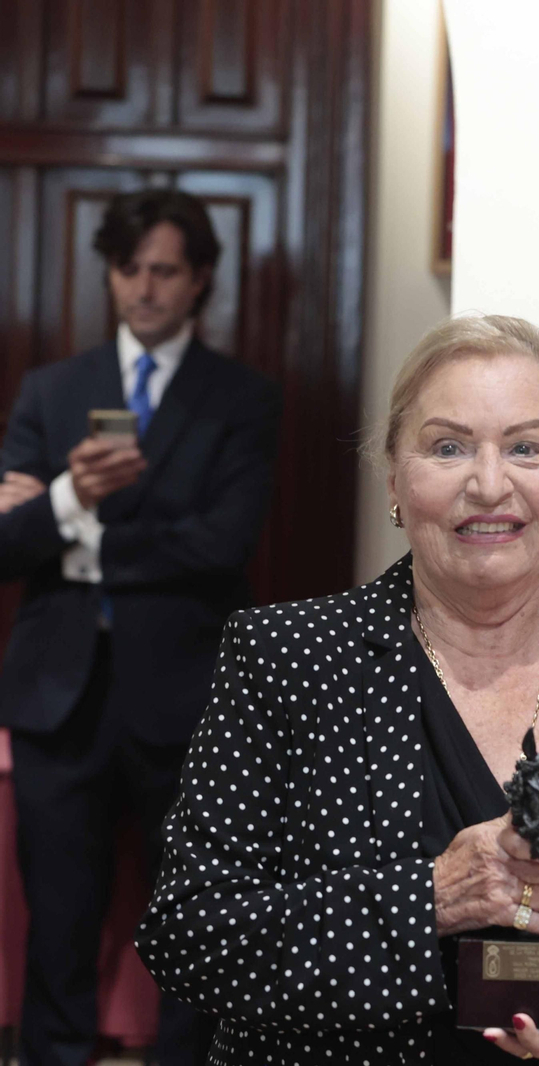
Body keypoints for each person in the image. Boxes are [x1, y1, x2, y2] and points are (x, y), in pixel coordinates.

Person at [135, 314, 539, 1064]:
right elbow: (190, 934)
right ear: (394, 478)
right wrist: (430, 898)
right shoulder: (286, 660)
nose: (488, 482)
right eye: (448, 447)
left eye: (526, 448)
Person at [0, 188, 280, 1066]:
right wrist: (67, 499)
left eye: (163, 270)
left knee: (196, 917)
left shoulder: (243, 397)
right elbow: (4, 545)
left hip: (188, 697)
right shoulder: (51, 390)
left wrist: (70, 523)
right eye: (129, 270)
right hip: (58, 692)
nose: (143, 289)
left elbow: (222, 544)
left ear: (199, 280)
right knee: (59, 918)